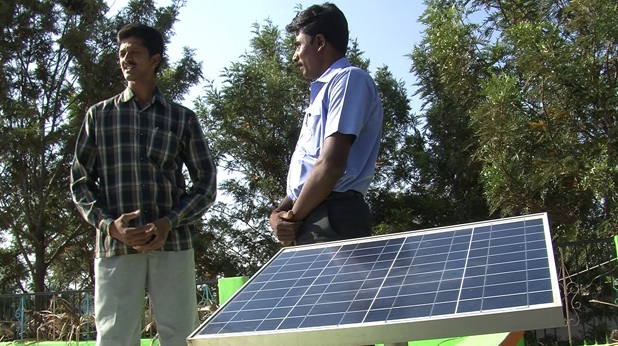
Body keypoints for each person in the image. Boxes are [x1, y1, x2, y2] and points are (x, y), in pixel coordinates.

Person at [70, 23, 217, 345]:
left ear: (154, 59)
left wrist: (169, 222)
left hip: (173, 244)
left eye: (134, 52)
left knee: (180, 335)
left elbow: (206, 183)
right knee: (114, 337)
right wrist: (110, 226)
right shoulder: (99, 116)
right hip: (115, 247)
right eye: (121, 54)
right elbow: (80, 183)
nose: (126, 59)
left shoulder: (182, 118)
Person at [270, 3, 384, 246]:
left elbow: (330, 165)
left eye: (298, 45)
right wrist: (277, 215)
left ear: (319, 42)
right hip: (310, 215)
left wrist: (291, 218)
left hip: (333, 216)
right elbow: (309, 174)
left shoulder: (349, 79)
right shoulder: (322, 94)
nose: (294, 56)